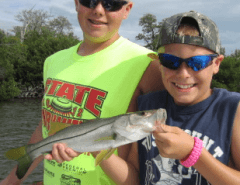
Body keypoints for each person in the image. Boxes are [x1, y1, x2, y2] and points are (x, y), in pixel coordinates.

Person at [0, 0, 163, 185]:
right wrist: (11, 180)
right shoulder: (53, 62)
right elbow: (47, 126)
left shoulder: (148, 63)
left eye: (111, 4)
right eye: (89, 0)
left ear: (127, 9)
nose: (98, 11)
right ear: (77, 1)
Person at [91, 10, 240, 184]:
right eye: (171, 61)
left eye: (197, 63)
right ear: (159, 63)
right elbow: (134, 179)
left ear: (216, 64)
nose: (183, 74)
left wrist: (193, 154)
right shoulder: (148, 106)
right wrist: (95, 146)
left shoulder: (232, 109)